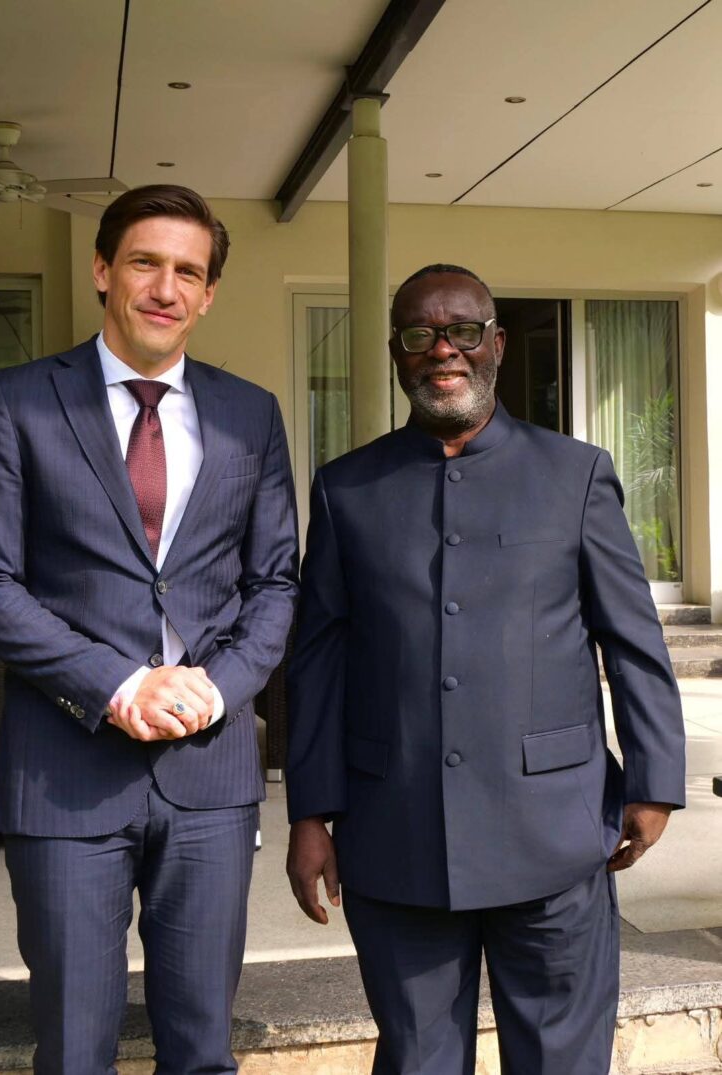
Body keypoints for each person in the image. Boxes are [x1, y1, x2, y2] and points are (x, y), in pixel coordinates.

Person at [284, 264, 685, 1074]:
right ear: (397, 354)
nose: (444, 350)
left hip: (556, 833)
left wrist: (655, 780)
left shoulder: (576, 474)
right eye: (420, 333)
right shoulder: (345, 489)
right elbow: (318, 659)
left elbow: (633, 639)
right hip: (393, 838)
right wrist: (310, 811)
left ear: (495, 343)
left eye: (463, 330)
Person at [0, 184, 298, 1075]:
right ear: (103, 269)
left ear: (209, 292)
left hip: (208, 774)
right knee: (73, 1049)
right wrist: (119, 683)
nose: (165, 287)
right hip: (65, 773)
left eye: (189, 271)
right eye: (146, 262)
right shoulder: (17, 400)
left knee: (202, 1048)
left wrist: (216, 686)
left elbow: (273, 584)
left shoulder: (250, 414)